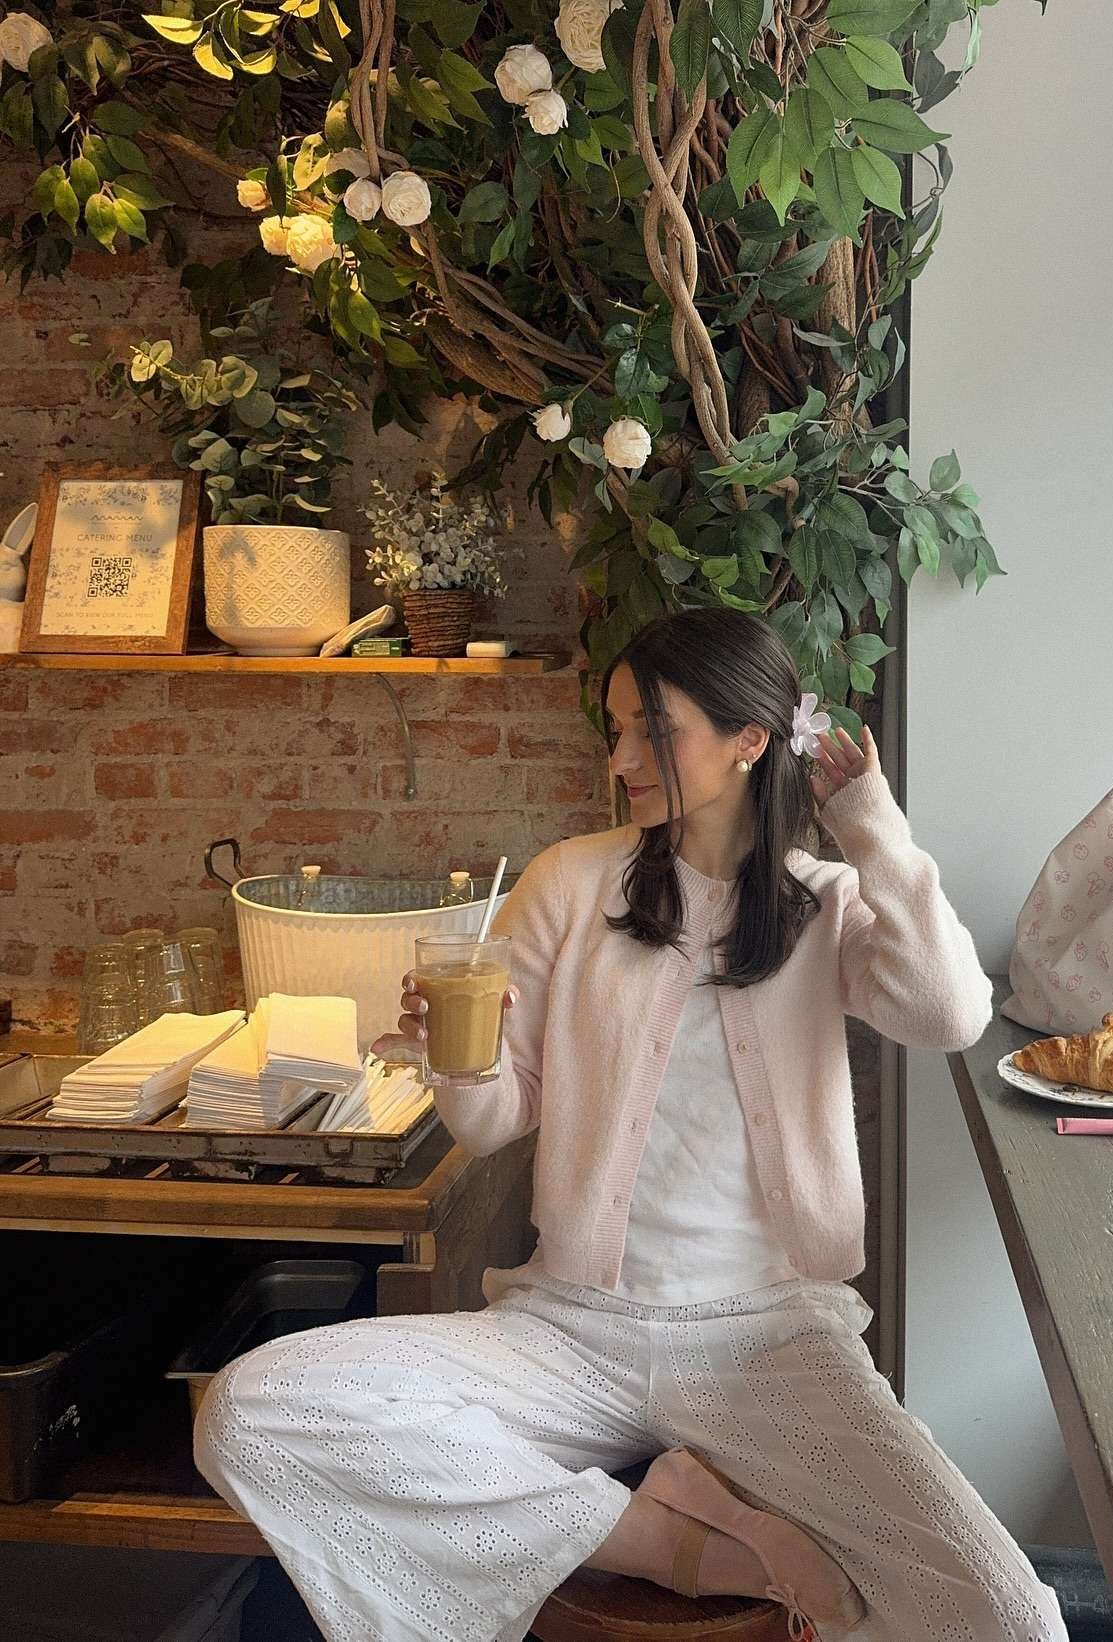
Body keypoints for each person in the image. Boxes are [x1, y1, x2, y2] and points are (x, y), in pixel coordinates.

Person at [193, 608, 1067, 1642]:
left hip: (770, 1344)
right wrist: (458, 1057)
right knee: (249, 1412)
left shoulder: (825, 904)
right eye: (614, 730)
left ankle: (693, 1518)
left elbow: (950, 1012)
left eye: (652, 731)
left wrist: (871, 822)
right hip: (569, 1331)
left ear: (750, 740)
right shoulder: (570, 882)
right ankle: (666, 1536)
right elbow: (494, 1118)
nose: (620, 760)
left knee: (1009, 1616)